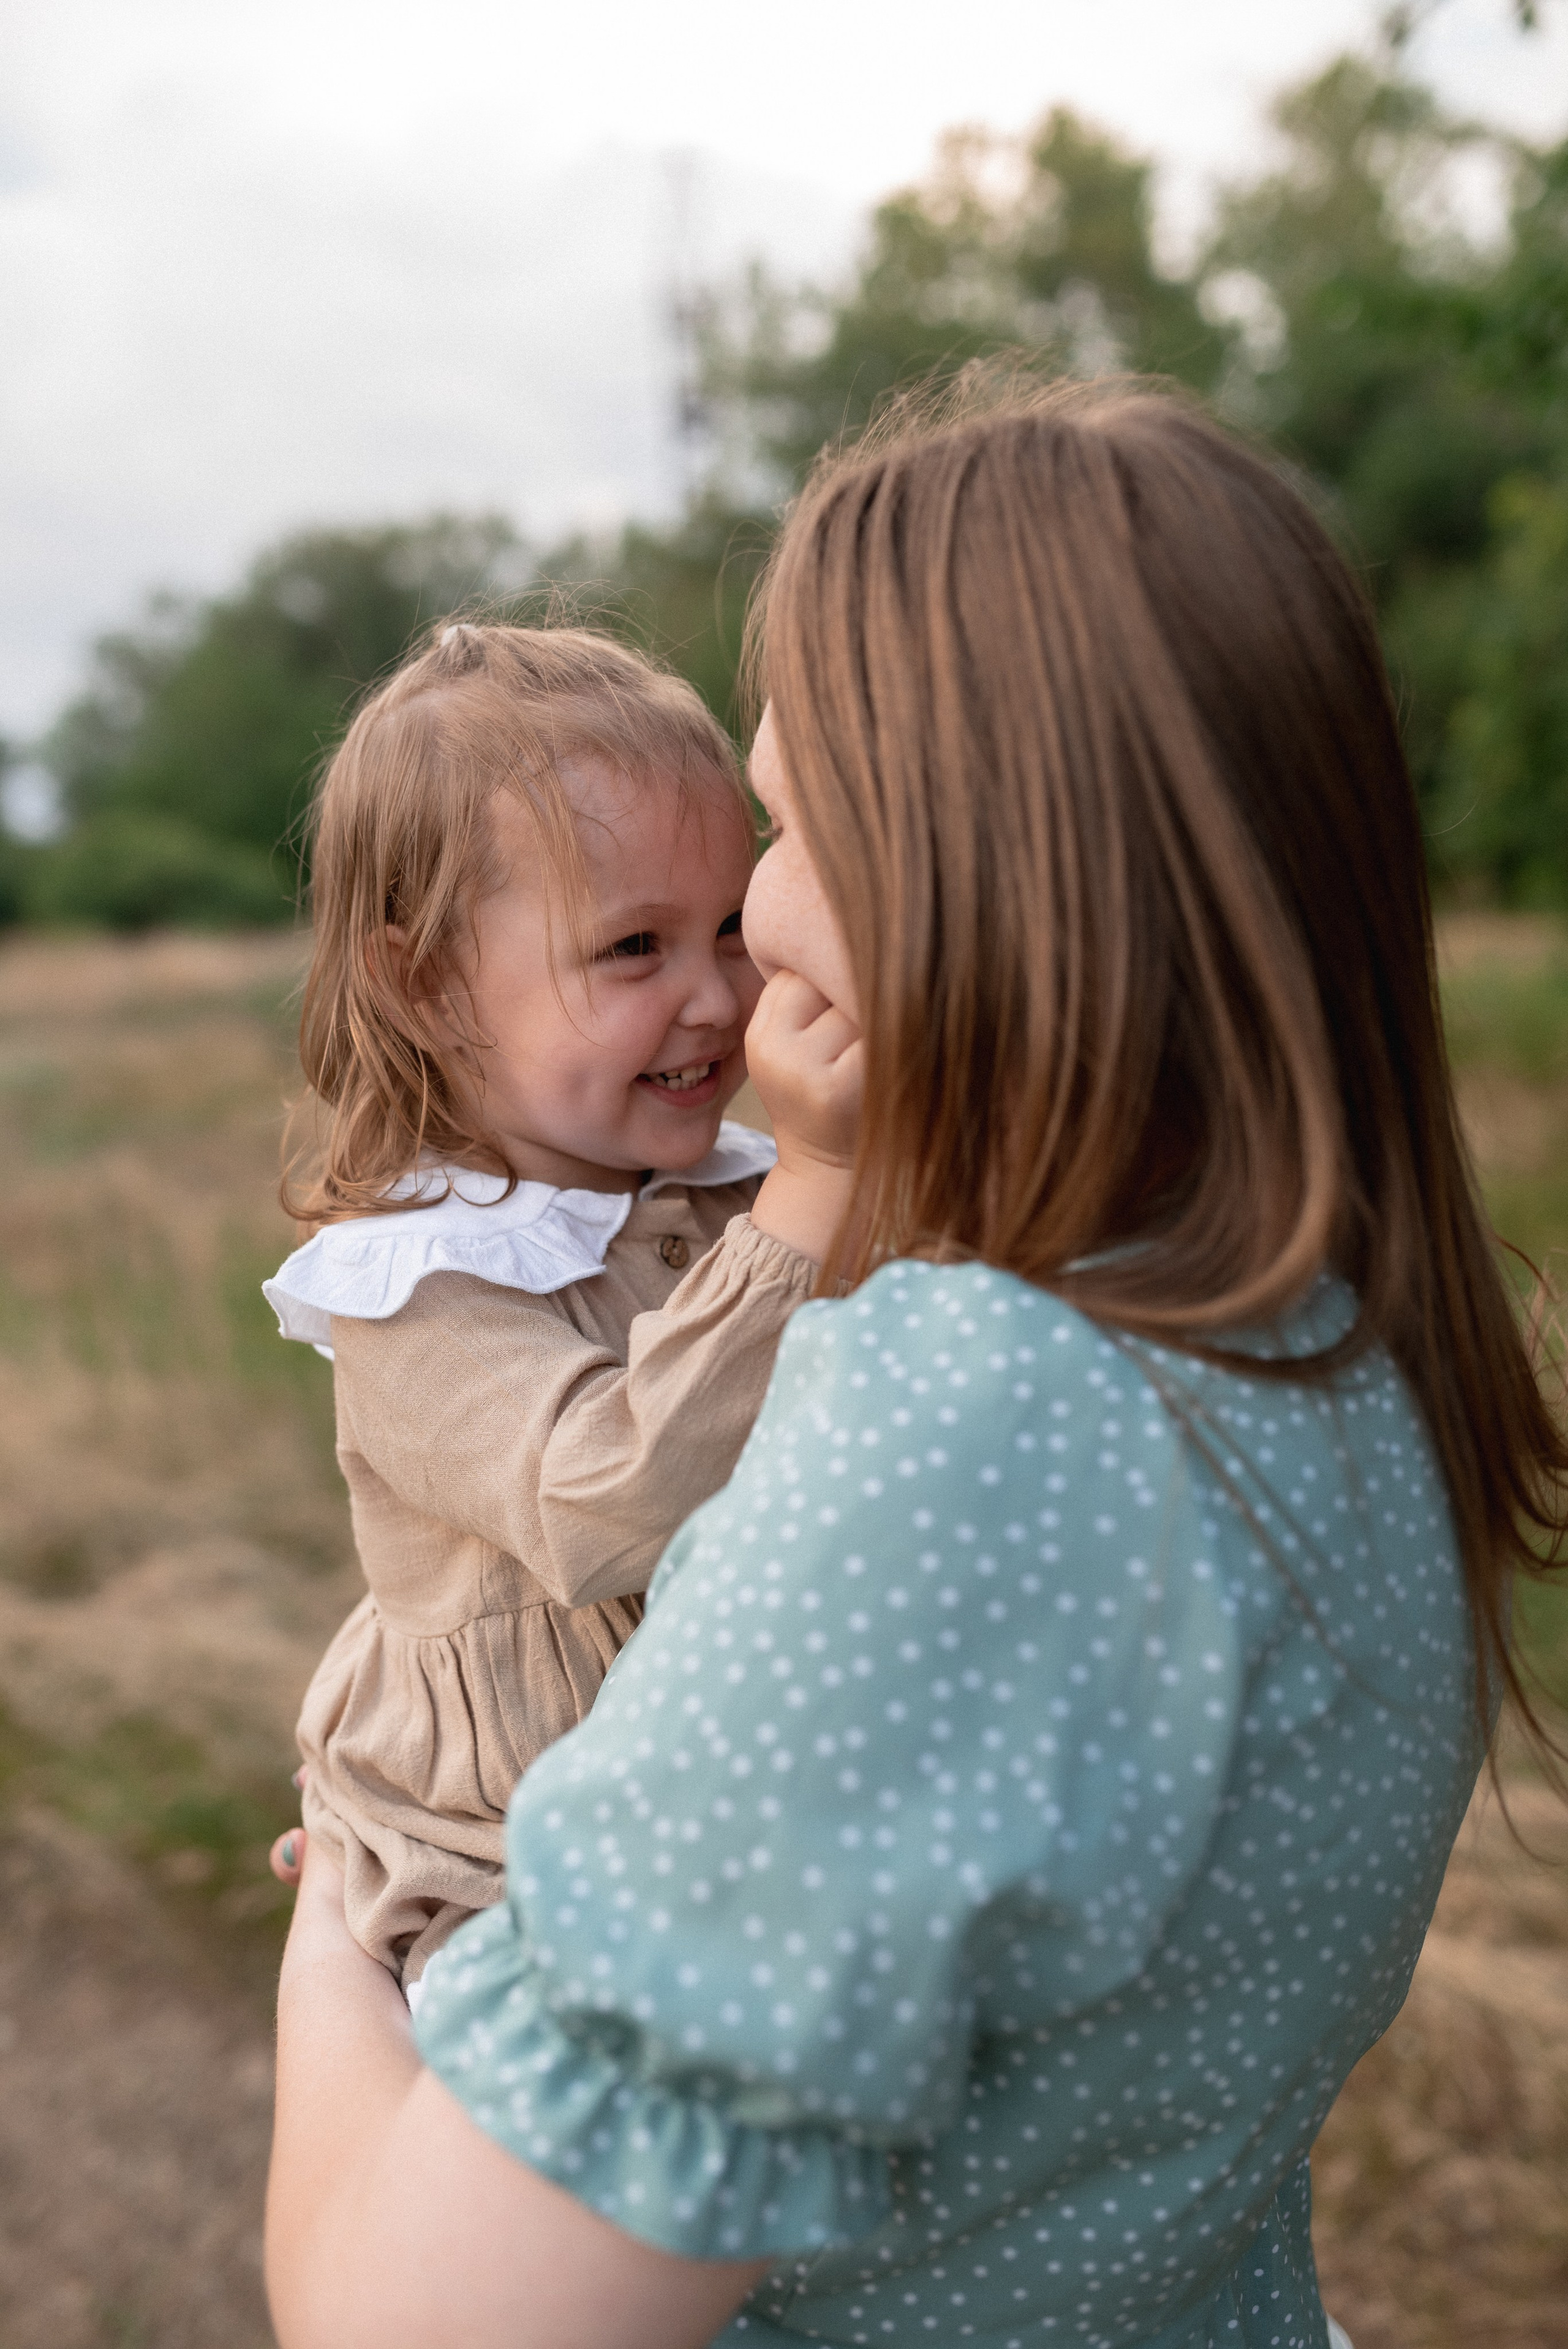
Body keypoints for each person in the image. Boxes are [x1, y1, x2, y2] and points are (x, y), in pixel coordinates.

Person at [264, 376, 1568, 2349]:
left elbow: (417, 2323)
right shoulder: (1355, 1343)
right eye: (657, 928)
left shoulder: (983, 1430)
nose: (747, 940)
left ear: (988, 857)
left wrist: (321, 1941)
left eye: (782, 835)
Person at [265, 622, 824, 1985]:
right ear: (427, 987)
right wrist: (825, 1184)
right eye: (634, 947)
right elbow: (600, 1501)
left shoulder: (742, 1192)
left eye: (735, 930)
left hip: (721, 1824)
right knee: (560, 2169)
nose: (716, 998)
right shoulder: (419, 1282)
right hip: (498, 1860)